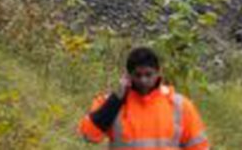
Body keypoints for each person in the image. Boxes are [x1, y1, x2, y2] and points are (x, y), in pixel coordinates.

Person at [78, 47, 209, 149]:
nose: (143, 80)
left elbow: (199, 147)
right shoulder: (112, 102)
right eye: (138, 75)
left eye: (148, 74)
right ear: (128, 76)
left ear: (158, 73)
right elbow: (89, 136)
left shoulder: (180, 105)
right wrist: (116, 99)